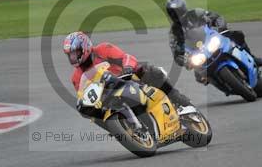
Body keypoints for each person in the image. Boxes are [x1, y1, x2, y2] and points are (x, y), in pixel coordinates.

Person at [63, 31, 191, 109]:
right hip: (109, 96)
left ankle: (176, 97)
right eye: (70, 55)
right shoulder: (76, 78)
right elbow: (83, 96)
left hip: (127, 78)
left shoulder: (103, 49)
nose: (72, 57)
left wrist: (128, 67)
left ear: (85, 47)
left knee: (146, 70)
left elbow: (125, 57)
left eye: (75, 53)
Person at [165, 0, 262, 85]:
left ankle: (252, 57)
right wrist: (185, 60)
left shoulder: (196, 13)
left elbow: (215, 16)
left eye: (178, 11)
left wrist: (220, 25)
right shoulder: (174, 32)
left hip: (211, 39)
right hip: (198, 52)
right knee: (200, 77)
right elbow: (176, 53)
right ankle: (221, 83)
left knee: (236, 35)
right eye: (173, 13)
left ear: (184, 8)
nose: (177, 14)